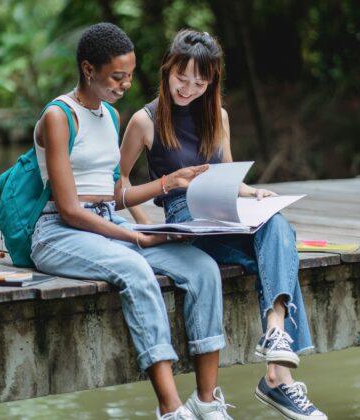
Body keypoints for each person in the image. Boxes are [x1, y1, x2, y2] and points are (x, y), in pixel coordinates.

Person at [120, 29, 328, 420]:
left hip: (226, 212)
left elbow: (229, 175)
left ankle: (275, 333)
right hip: (188, 221)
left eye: (200, 82)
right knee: (280, 251)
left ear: (212, 81)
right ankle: (278, 378)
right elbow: (119, 181)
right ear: (168, 70)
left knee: (277, 226)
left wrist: (254, 195)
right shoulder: (144, 121)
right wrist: (145, 225)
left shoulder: (219, 116)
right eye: (182, 79)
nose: (188, 89)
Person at [30, 23, 234, 419]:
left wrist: (166, 183)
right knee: (136, 269)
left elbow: (113, 195)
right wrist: (134, 237)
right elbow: (71, 208)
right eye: (117, 77)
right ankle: (170, 407)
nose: (125, 85)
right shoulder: (58, 116)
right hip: (59, 231)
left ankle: (206, 403)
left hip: (106, 225)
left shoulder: (108, 113)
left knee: (203, 269)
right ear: (88, 69)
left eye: (129, 75)